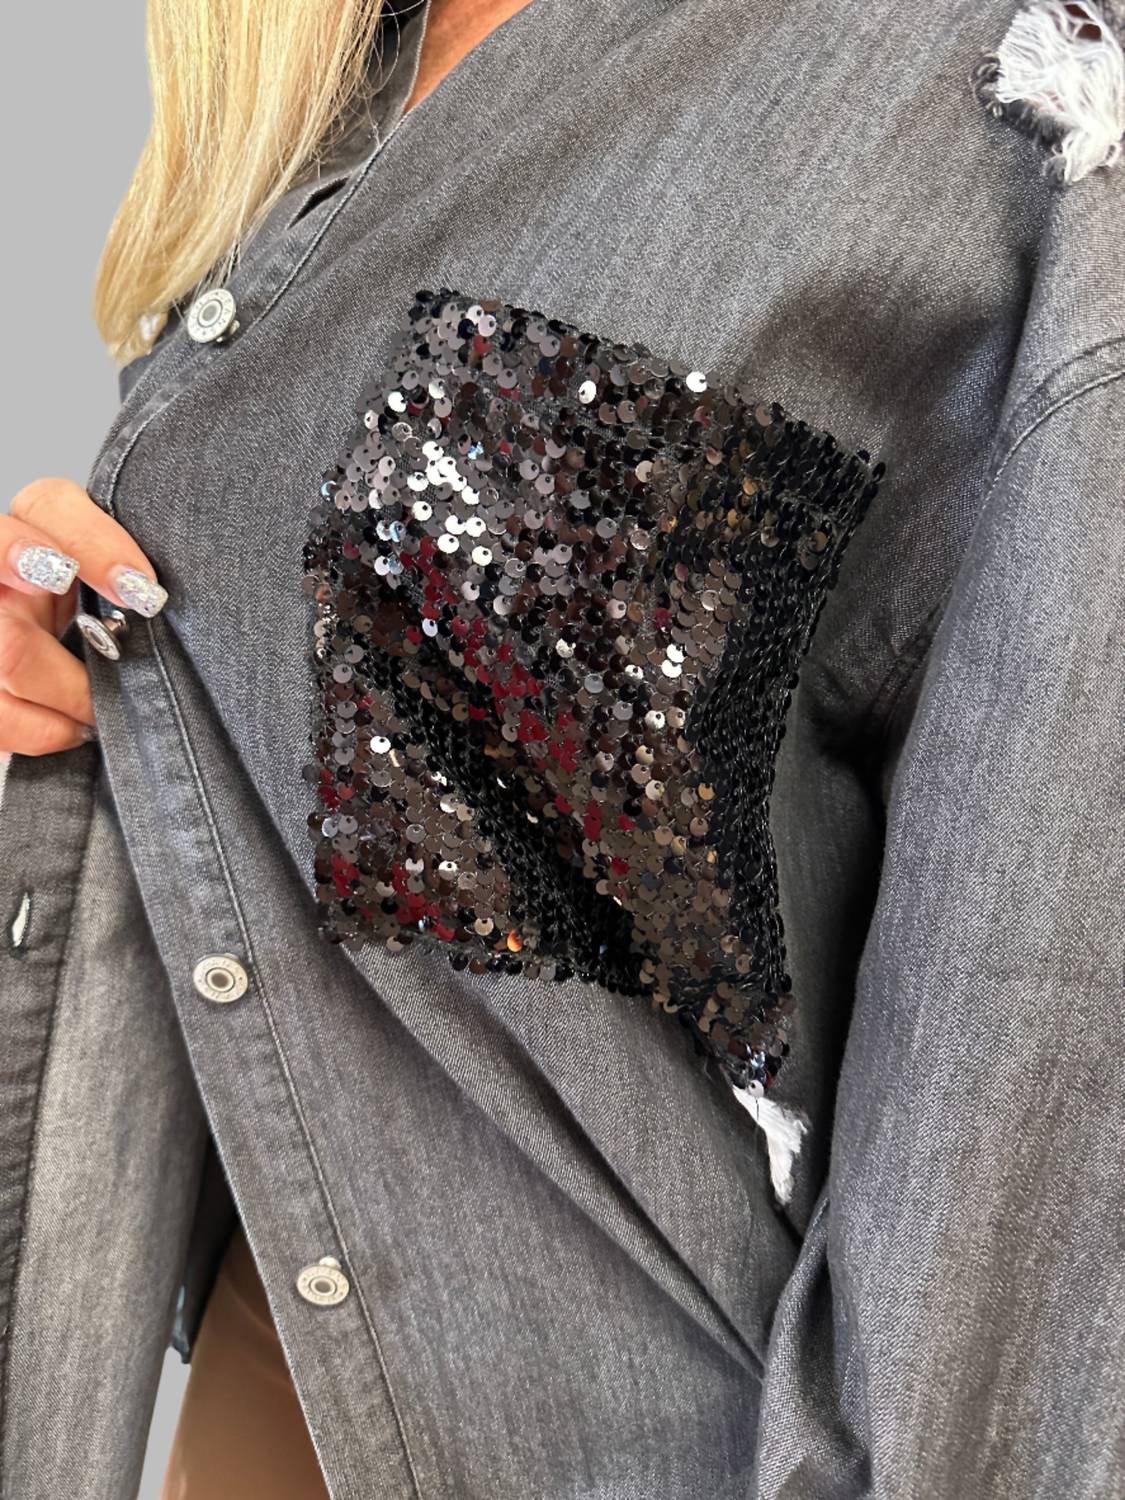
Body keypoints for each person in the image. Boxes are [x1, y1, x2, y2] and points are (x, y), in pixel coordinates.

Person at [1, 1, 1122, 1497]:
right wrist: (98, 666)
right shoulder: (324, 60)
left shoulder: (998, 86)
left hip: (661, 1441)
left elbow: (1048, 1027)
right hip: (271, 1388)